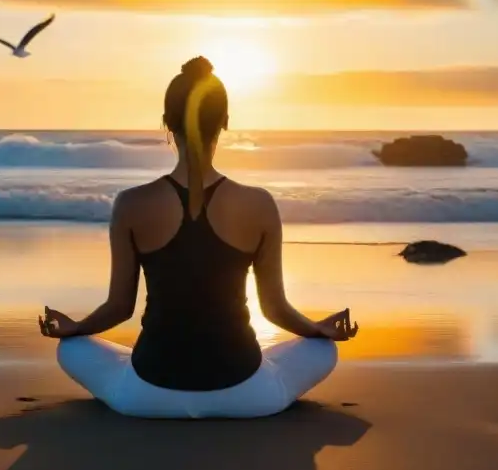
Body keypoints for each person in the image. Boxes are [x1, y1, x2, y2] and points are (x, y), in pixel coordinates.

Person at [38, 56, 358, 419]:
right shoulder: (259, 204)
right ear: (225, 121)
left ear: (166, 122)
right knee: (323, 350)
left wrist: (76, 328)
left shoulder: (131, 204)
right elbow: (274, 309)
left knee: (71, 349)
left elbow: (119, 308)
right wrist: (317, 329)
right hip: (248, 396)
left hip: (145, 396)